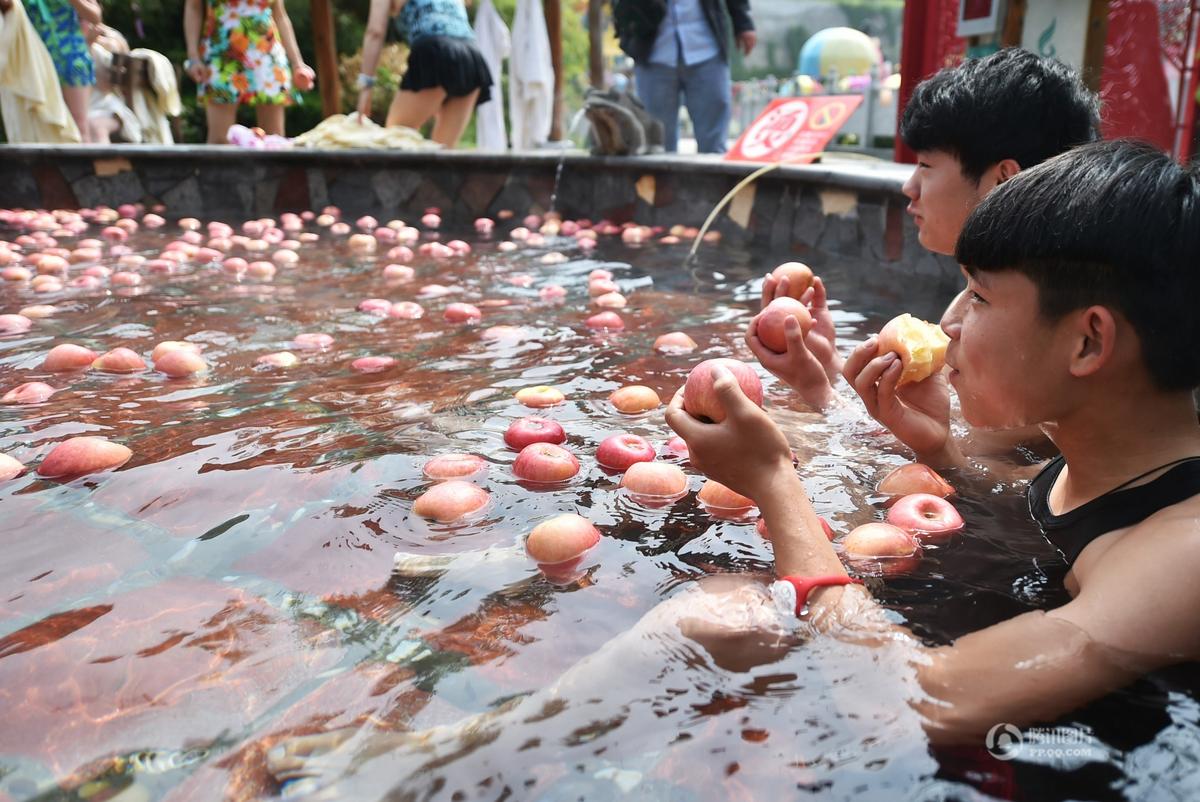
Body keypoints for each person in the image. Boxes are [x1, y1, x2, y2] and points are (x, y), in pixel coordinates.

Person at [263, 140, 1200, 799]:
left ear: (1089, 341)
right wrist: (937, 449)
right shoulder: (1095, 445)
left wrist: (777, 489)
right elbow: (1034, 510)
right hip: (1007, 622)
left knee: (715, 613)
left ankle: (440, 773)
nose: (950, 325)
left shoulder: (1185, 549)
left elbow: (927, 700)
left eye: (979, 301)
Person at [749, 48, 1100, 427]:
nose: (908, 186)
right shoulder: (980, 295)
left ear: (1003, 181)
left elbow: (980, 468)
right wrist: (827, 366)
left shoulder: (1026, 317)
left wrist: (819, 391)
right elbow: (937, 433)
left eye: (926, 166)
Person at [612, 0, 755, 154]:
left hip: (707, 48)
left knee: (714, 145)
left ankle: (712, 178)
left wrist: (743, 23)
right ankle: (662, 178)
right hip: (652, 50)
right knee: (656, 145)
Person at [356, 0, 493, 149]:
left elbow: (375, 32)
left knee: (394, 142)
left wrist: (366, 86)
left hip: (436, 50)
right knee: (443, 154)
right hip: (472, 56)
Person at [182, 0, 315, 144]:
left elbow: (280, 15)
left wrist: (297, 64)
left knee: (274, 140)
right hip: (221, 56)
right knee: (220, 141)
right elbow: (193, 7)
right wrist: (193, 57)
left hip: (267, 56)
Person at [21, 0, 102, 141]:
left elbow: (95, 17)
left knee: (79, 126)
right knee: (41, 127)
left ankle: (82, 163)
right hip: (35, 62)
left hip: (72, 59)